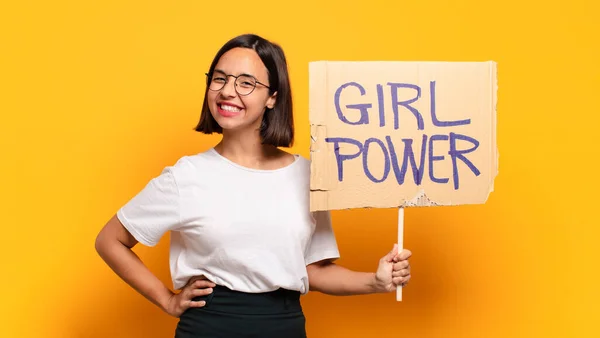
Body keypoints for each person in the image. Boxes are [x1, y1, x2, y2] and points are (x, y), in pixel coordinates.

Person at [95, 33, 412, 338]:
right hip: (209, 326)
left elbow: (313, 270)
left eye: (246, 83)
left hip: (284, 325)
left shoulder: (308, 176)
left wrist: (376, 281)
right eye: (219, 79)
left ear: (273, 96)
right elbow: (110, 241)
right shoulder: (186, 176)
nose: (227, 91)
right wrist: (166, 300)